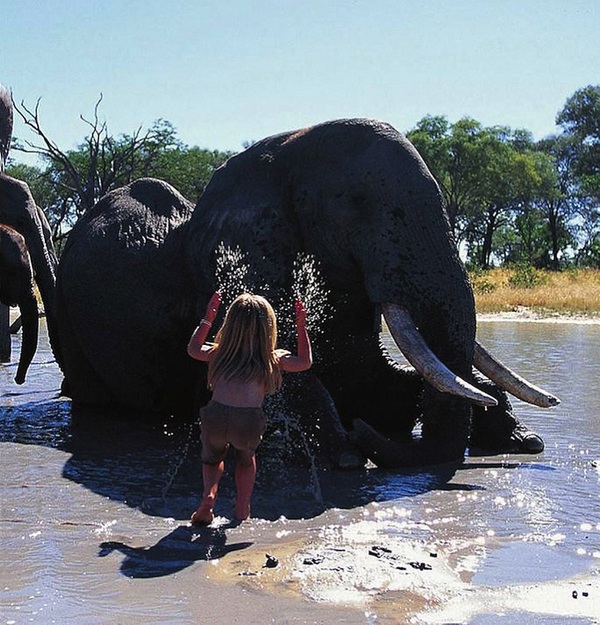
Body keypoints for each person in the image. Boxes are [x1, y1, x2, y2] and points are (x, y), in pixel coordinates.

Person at [187, 291, 312, 524]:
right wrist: (301, 327)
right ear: (269, 328)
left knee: (212, 459)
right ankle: (243, 507)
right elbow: (305, 362)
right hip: (248, 420)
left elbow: (193, 349)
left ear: (230, 324)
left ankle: (208, 498)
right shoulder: (272, 359)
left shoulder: (220, 353)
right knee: (246, 460)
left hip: (216, 414)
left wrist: (207, 318)